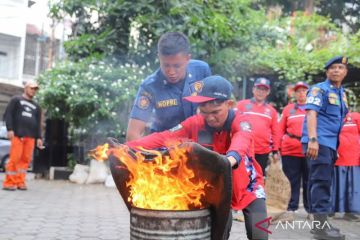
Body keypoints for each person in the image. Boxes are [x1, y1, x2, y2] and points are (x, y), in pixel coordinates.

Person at [127, 75, 268, 240]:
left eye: (215, 112)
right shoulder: (195, 122)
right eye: (204, 112)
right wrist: (127, 147)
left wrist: (229, 159)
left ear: (229, 105)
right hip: (218, 187)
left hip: (249, 186)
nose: (210, 118)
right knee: (217, 235)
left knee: (259, 234)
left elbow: (242, 141)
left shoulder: (242, 120)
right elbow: (163, 137)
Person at [126, 32, 211, 141]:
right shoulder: (149, 87)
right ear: (159, 58)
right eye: (166, 65)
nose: (171, 72)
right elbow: (133, 134)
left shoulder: (202, 70)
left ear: (187, 59)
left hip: (199, 142)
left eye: (177, 66)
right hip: (165, 146)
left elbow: (215, 108)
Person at [301, 56, 349, 240]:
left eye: (340, 67)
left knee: (324, 182)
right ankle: (320, 229)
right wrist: (313, 139)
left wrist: (335, 146)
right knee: (320, 182)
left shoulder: (341, 93)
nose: (336, 70)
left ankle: (320, 225)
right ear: (327, 72)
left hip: (329, 144)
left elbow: (337, 121)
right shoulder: (318, 89)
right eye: (333, 68)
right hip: (318, 142)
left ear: (345, 72)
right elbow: (311, 113)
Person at [2, 80, 43, 191]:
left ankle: (20, 182)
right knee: (14, 159)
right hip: (18, 135)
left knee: (25, 161)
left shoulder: (36, 106)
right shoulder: (16, 100)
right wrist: (10, 129)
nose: (33, 91)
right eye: (32, 88)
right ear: (26, 88)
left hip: (30, 137)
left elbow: (38, 122)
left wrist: (39, 137)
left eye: (35, 89)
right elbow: (8, 115)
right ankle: (9, 183)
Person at [236, 77, 280, 177]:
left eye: (264, 90)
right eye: (258, 89)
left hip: (262, 151)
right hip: (243, 149)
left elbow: (275, 132)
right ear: (253, 90)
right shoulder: (241, 105)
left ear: (268, 92)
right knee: (242, 176)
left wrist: (275, 150)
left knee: (258, 177)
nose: (261, 92)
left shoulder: (271, 111)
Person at [279, 81, 309, 217]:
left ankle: (310, 209)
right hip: (290, 150)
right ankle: (291, 207)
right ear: (295, 94)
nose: (301, 93)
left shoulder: (314, 109)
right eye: (298, 91)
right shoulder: (288, 109)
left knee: (310, 179)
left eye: (304, 90)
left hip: (310, 150)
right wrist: (276, 148)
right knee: (291, 179)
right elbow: (280, 129)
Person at [331, 111, 360, 221]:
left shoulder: (356, 116)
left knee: (353, 186)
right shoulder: (331, 117)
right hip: (337, 158)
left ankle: (352, 212)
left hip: (354, 158)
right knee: (336, 186)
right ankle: (332, 210)